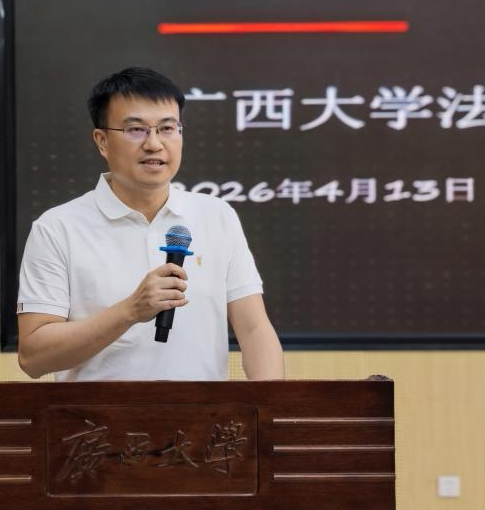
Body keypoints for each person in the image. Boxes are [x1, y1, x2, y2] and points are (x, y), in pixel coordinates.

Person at [17, 66, 284, 381]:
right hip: (96, 413)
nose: (154, 144)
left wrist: (272, 405)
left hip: (203, 412)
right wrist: (130, 311)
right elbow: (33, 358)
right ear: (102, 141)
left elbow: (253, 329)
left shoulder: (216, 216)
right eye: (136, 129)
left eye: (167, 128)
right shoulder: (57, 228)